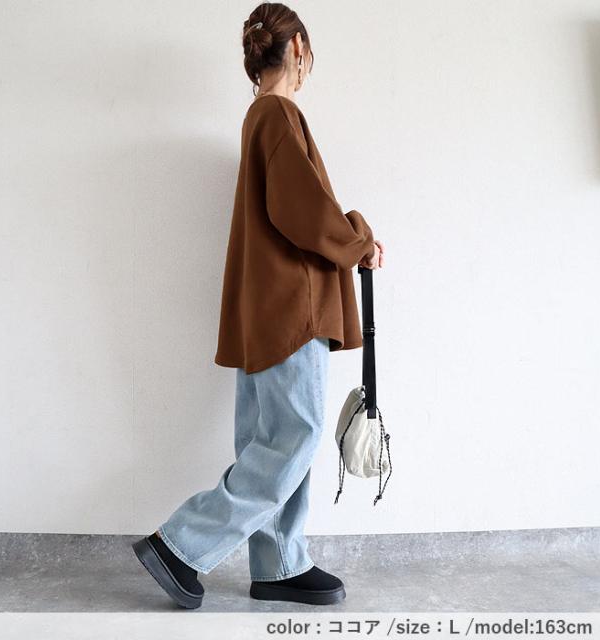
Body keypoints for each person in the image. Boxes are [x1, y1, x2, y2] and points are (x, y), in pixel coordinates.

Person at [132, 2, 384, 610]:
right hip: (292, 309)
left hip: (265, 309)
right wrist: (358, 239)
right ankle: (180, 545)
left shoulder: (260, 117)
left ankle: (278, 564)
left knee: (269, 440)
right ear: (296, 47)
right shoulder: (277, 113)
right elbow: (302, 211)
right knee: (293, 437)